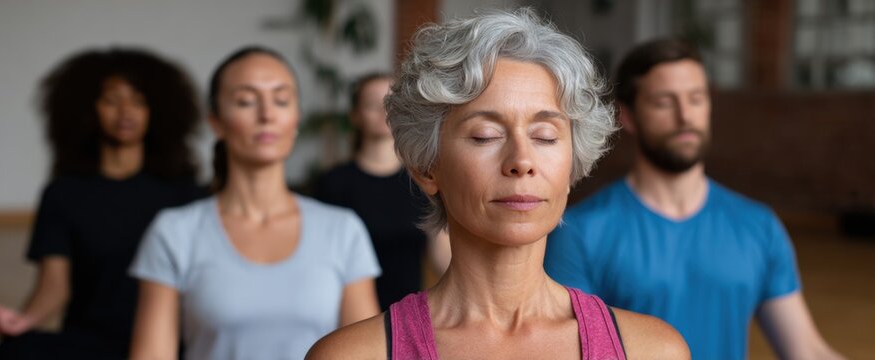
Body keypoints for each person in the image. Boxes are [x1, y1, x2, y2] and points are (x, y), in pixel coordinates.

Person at [307, 9, 689, 360]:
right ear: (427, 167)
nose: (521, 161)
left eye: (544, 136)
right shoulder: (355, 355)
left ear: (572, 163)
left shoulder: (653, 350)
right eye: (486, 135)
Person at [544, 38, 845, 359]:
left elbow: (806, 351)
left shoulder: (759, 225)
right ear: (628, 117)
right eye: (663, 102)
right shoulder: (579, 233)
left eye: (696, 99)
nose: (685, 115)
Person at [128, 46, 382, 360]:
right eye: (245, 101)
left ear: (296, 118)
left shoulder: (342, 229)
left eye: (281, 100)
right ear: (216, 122)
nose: (266, 114)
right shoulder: (175, 231)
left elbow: (364, 353)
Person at [0, 48, 203, 359]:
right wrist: (22, 322)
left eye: (138, 101)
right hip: (89, 342)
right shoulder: (63, 194)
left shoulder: (183, 194)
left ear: (157, 111)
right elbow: (55, 285)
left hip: (166, 341)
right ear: (88, 110)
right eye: (112, 100)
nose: (125, 112)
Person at [314, 73, 451, 310]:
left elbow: (444, 258)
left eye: (390, 103)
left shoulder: (423, 183)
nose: (383, 112)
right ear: (355, 115)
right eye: (371, 105)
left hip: (406, 315)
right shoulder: (333, 183)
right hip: (343, 316)